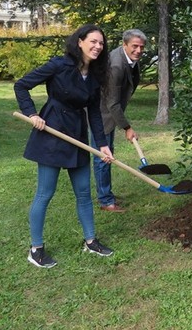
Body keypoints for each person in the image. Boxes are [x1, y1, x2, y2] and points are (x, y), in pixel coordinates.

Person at [14, 24, 116, 268]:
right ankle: (36, 249)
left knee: (83, 192)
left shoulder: (93, 76)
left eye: (101, 43)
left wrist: (102, 144)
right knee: (44, 193)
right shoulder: (59, 65)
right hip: (51, 132)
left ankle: (91, 241)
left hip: (77, 135)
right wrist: (32, 114)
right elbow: (22, 85)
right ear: (79, 41)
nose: (97, 46)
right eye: (93, 41)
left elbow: (93, 112)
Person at [92, 29, 147, 212]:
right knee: (103, 157)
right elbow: (112, 103)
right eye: (134, 46)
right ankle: (106, 201)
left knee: (107, 153)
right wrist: (127, 127)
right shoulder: (116, 65)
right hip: (100, 113)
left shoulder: (129, 59)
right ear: (125, 44)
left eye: (141, 47)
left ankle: (106, 193)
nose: (138, 50)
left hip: (108, 111)